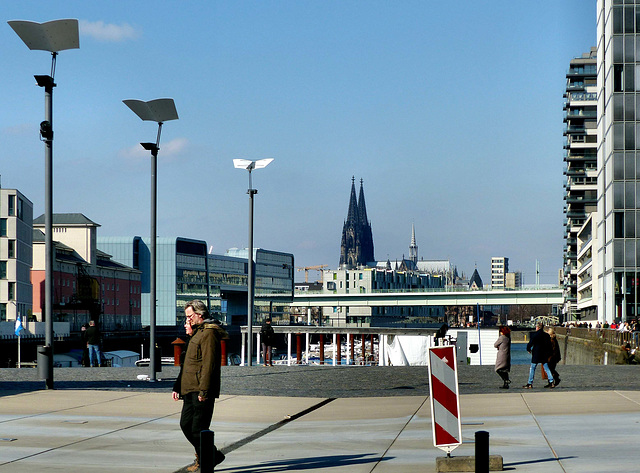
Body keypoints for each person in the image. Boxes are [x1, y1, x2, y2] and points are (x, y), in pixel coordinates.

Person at [172, 300, 228, 472]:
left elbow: (209, 364)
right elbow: (188, 363)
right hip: (188, 388)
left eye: (190, 316)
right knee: (185, 424)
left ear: (200, 314)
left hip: (200, 390)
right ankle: (211, 456)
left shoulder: (208, 334)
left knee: (198, 429)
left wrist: (204, 390)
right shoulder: (197, 333)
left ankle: (206, 459)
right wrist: (177, 387)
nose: (187, 320)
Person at [523, 321, 555, 389]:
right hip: (544, 354)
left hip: (536, 354)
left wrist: (529, 349)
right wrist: (549, 353)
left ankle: (530, 383)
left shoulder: (535, 335)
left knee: (533, 368)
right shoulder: (546, 335)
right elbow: (549, 346)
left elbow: (530, 344)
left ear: (537, 327)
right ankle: (551, 381)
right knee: (546, 368)